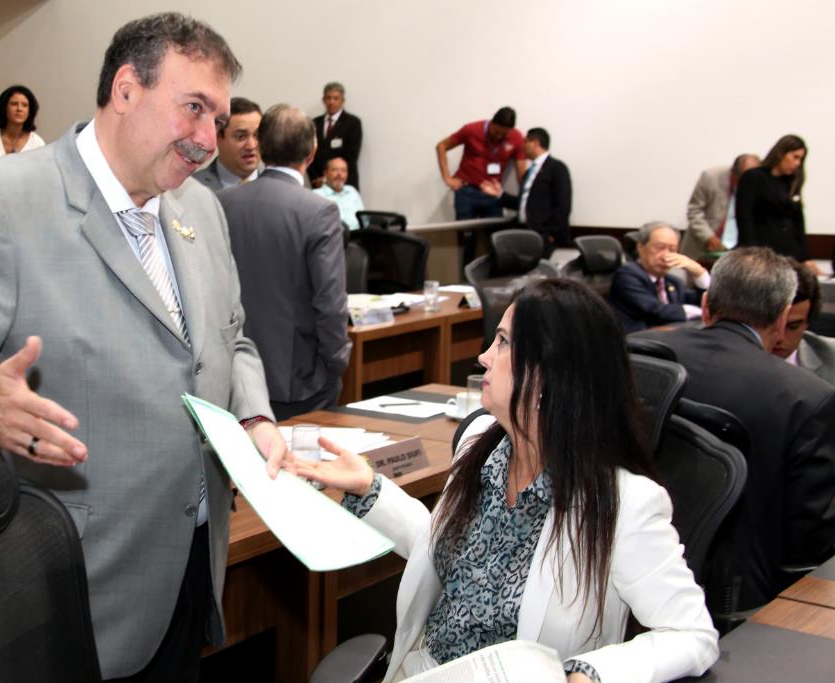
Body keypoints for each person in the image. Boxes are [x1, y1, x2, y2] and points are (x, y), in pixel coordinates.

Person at [0, 12, 288, 681]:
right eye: (194, 108)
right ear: (126, 89)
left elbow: (234, 338)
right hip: (73, 590)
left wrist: (254, 416)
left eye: (219, 119)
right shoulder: (1, 200)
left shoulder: (200, 208)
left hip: (193, 567)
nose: (209, 140)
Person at [298, 279, 717, 683]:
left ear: (547, 373)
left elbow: (692, 635)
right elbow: (445, 549)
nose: (484, 356)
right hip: (426, 669)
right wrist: (369, 488)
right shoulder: (480, 444)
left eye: (502, 342)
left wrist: (590, 674)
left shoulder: (624, 504)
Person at [638, 248, 835, 611]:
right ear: (782, 318)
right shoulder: (807, 397)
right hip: (739, 600)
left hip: (629, 567)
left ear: (705, 305)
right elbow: (809, 539)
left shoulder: (638, 355)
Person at [218, 104, 350, 420]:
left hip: (231, 375)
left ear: (261, 147)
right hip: (298, 379)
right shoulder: (319, 211)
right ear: (312, 152)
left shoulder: (221, 202)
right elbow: (330, 302)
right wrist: (336, 363)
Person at [436, 107, 527, 265]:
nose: (499, 136)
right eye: (496, 132)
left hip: (493, 195)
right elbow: (441, 146)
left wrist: (526, 199)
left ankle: (495, 275)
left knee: (497, 240)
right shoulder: (472, 129)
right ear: (491, 123)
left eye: (503, 134)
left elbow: (522, 173)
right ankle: (465, 275)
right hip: (466, 191)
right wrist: (447, 178)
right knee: (467, 240)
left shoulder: (516, 138)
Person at [774, 259, 835, 432]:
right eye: (770, 324)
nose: (780, 337)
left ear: (808, 323)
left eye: (792, 326)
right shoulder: (723, 363)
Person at [479, 127, 572, 257]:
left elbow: (563, 204)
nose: (523, 146)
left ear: (535, 143)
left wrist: (552, 234)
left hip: (543, 235)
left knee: (540, 269)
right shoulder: (529, 172)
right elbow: (525, 204)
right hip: (524, 231)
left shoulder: (556, 168)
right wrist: (500, 194)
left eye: (525, 141)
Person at [609, 222, 710, 333]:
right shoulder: (627, 275)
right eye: (660, 248)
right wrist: (699, 312)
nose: (666, 256)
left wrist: (700, 273)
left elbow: (704, 302)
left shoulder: (674, 281)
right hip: (636, 339)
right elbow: (655, 310)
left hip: (668, 336)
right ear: (640, 248)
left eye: (672, 249)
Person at [736, 134, 812, 266]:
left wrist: (805, 257)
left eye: (801, 159)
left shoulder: (791, 182)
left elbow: (798, 222)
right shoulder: (754, 177)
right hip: (761, 251)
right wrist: (753, 253)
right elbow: (744, 217)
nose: (797, 163)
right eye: (795, 157)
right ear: (781, 154)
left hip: (789, 253)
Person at [682, 153, 760, 259]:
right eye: (744, 178)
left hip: (738, 252)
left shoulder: (760, 182)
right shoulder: (711, 177)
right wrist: (708, 237)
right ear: (733, 172)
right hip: (702, 247)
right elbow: (694, 211)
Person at [193, 96, 261, 191]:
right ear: (217, 137)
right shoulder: (193, 188)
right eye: (241, 136)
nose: (251, 146)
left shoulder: (278, 188)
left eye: (257, 136)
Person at [307, 81, 362, 190]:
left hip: (345, 184)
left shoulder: (353, 123)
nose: (331, 102)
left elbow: (351, 157)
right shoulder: (314, 123)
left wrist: (329, 179)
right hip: (319, 185)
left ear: (343, 101)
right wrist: (316, 178)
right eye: (328, 98)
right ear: (323, 100)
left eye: (336, 98)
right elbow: (309, 153)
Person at [312, 156, 364, 230]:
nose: (339, 174)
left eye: (343, 170)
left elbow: (364, 219)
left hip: (358, 234)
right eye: (335, 170)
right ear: (325, 173)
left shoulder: (352, 191)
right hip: (332, 236)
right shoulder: (316, 195)